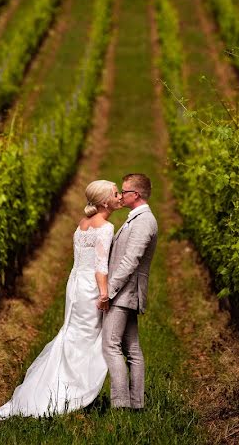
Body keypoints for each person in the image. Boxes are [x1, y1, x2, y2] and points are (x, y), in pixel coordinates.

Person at [0, 180, 122, 421]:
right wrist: (104, 294)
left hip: (75, 285)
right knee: (85, 338)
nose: (119, 195)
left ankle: (56, 384)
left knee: (73, 333)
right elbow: (101, 267)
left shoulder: (83, 224)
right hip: (91, 287)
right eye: (115, 193)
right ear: (104, 202)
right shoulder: (105, 227)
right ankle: (70, 390)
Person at [99, 173, 158, 410]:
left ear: (137, 195)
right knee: (132, 348)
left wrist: (109, 290)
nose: (121, 196)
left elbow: (130, 260)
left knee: (110, 345)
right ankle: (136, 403)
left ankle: (122, 403)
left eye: (125, 192)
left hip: (125, 292)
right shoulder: (137, 218)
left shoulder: (144, 220)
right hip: (126, 292)